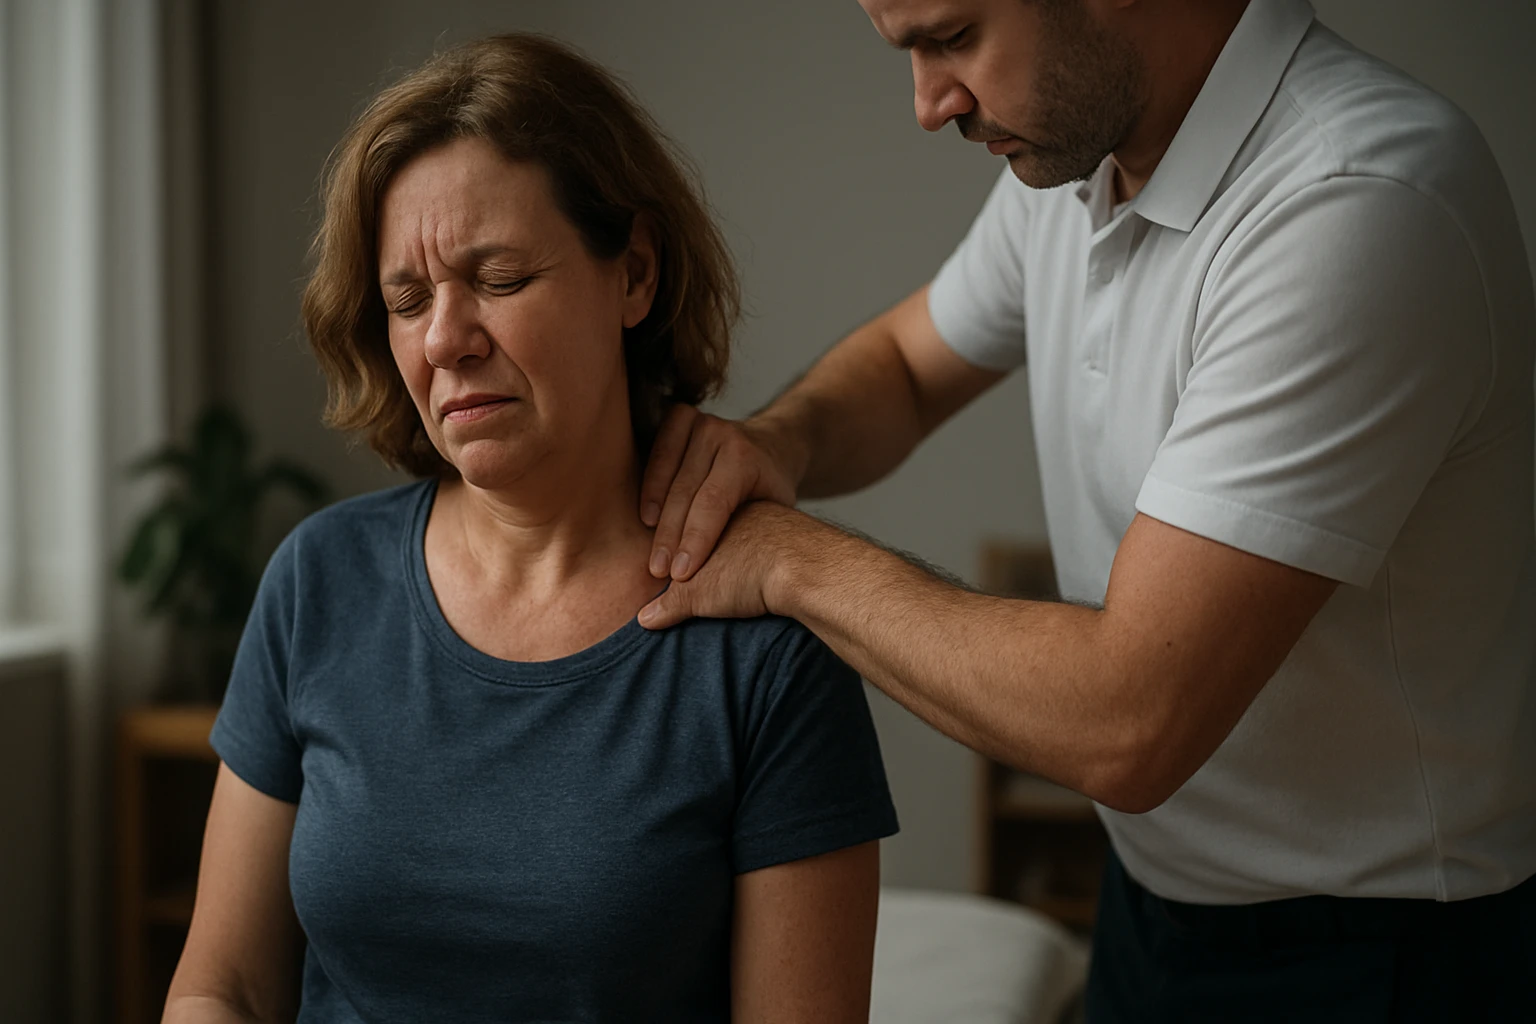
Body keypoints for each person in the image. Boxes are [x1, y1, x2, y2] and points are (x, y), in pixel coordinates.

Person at [636, 0, 1536, 1019]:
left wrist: (786, 560)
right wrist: (772, 443)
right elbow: (906, 367)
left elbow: (1128, 721)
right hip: (1156, 906)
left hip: (1381, 958)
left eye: (951, 37)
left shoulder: (1358, 201)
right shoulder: (1079, 159)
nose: (932, 105)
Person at [163, 33, 897, 1024]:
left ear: (633, 274)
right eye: (408, 299)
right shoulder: (319, 580)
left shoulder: (767, 652)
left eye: (498, 279)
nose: (444, 339)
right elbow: (227, 985)